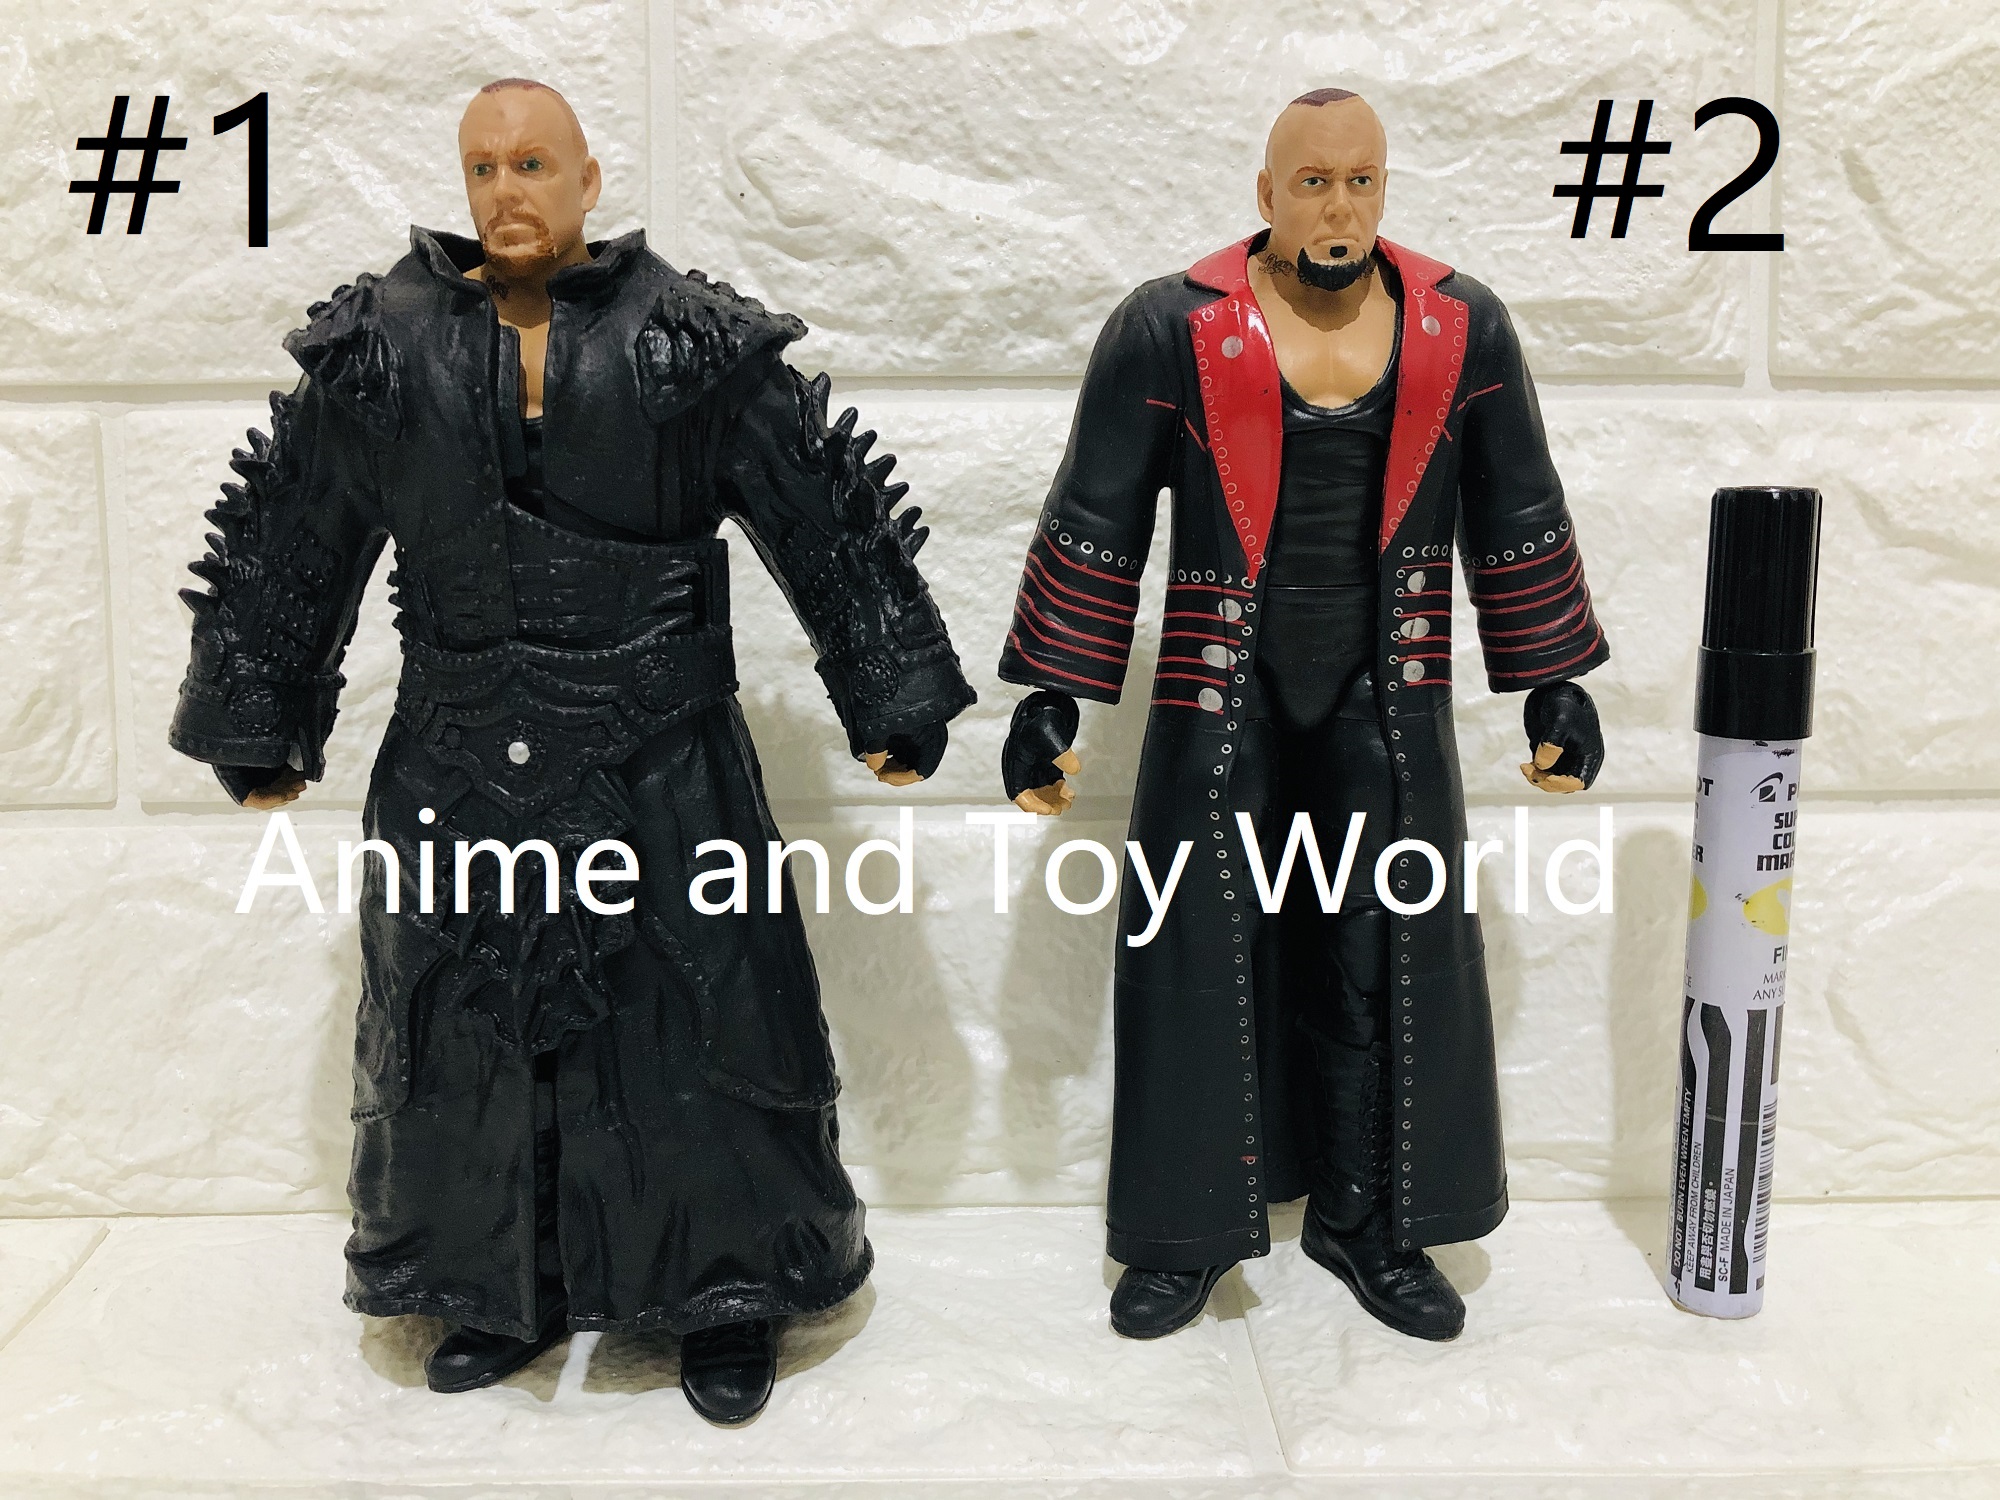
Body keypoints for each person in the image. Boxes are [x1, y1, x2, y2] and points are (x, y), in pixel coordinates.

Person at [169, 78, 974, 1421]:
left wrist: (891, 692)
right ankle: (497, 1286)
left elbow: (818, 502)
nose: (507, 189)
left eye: (533, 162)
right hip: (454, 748)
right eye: (482, 167)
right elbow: (294, 527)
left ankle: (728, 1291)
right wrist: (259, 712)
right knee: (467, 1028)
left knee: (704, 1018)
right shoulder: (382, 345)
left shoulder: (687, 336)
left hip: (663, 748)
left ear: (588, 180)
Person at [996, 89, 1608, 1342]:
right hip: (1216, 686)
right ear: (1265, 193)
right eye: (1312, 181)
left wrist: (1552, 678)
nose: (1338, 205)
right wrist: (1050, 696)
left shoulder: (1461, 324)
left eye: (1360, 180)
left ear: (1384, 188)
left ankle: (1367, 1219)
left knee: (1385, 944)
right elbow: (1099, 507)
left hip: (1392, 690)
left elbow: (1514, 502)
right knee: (1191, 943)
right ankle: (1181, 1233)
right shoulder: (1169, 325)